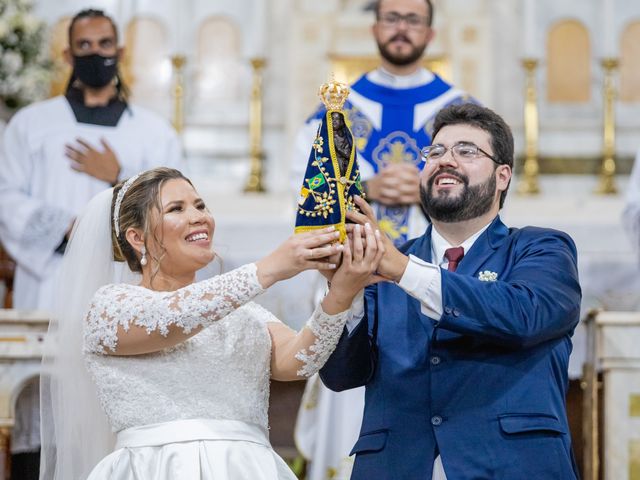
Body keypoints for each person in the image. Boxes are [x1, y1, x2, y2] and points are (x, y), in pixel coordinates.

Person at [40, 167, 384, 480]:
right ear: (136, 237)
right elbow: (170, 319)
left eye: (201, 206)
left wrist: (341, 291)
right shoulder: (109, 307)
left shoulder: (243, 311)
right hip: (155, 469)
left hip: (247, 468)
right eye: (177, 209)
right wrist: (271, 267)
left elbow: (299, 361)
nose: (199, 217)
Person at [320, 103, 582, 479]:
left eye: (467, 151)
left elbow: (523, 316)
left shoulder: (541, 249)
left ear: (503, 176)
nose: (446, 160)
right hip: (397, 466)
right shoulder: (385, 260)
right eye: (436, 152)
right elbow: (341, 375)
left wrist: (402, 269)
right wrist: (347, 292)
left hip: (510, 465)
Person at [292, 1, 475, 477]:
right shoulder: (338, 105)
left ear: (431, 33)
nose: (401, 29)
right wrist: (365, 188)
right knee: (351, 385)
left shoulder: (458, 108)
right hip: (352, 273)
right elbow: (304, 185)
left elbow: (484, 189)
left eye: (412, 19)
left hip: (434, 273)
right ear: (374, 27)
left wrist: (423, 187)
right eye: (392, 18)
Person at [0, 9, 182, 477]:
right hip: (52, 278)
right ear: (67, 54)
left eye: (105, 45)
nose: (95, 54)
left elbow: (176, 203)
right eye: (84, 46)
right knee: (47, 400)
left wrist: (117, 180)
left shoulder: (153, 131)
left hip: (128, 280)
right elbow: (6, 196)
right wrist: (69, 227)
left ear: (120, 53)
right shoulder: (31, 125)